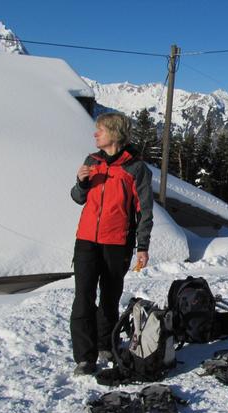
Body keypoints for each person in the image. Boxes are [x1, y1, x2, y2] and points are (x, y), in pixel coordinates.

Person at [69, 113, 154, 375]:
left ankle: (105, 344)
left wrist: (142, 246)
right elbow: (77, 198)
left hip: (117, 243)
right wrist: (81, 183)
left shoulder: (135, 169)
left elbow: (145, 211)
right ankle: (85, 358)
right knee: (83, 298)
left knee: (109, 297)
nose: (95, 134)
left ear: (115, 134)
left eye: (101, 130)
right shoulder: (91, 162)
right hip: (86, 241)